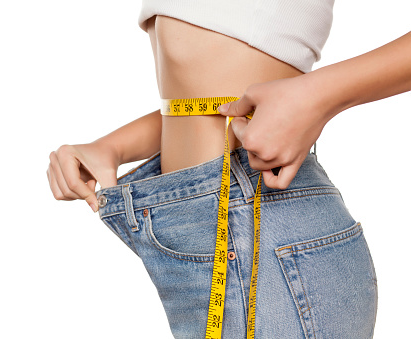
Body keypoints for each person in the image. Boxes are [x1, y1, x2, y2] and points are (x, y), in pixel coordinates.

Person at [47, 4, 411, 338]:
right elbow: (218, 103)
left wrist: (318, 94)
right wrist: (114, 146)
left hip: (263, 225)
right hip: (218, 220)